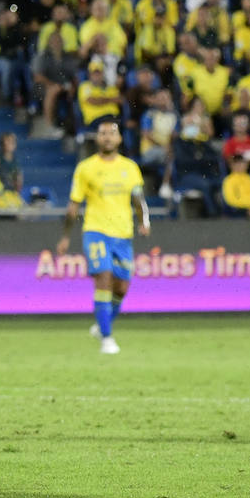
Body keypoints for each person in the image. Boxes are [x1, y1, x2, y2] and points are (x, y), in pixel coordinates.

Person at [55, 117, 150, 355]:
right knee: (104, 278)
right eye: (102, 133)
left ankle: (102, 324)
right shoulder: (86, 168)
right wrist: (66, 236)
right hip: (96, 232)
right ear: (97, 138)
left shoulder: (130, 167)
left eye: (111, 133)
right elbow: (73, 205)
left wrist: (144, 221)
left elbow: (139, 199)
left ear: (119, 139)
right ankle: (107, 338)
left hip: (123, 234)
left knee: (121, 288)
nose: (107, 137)